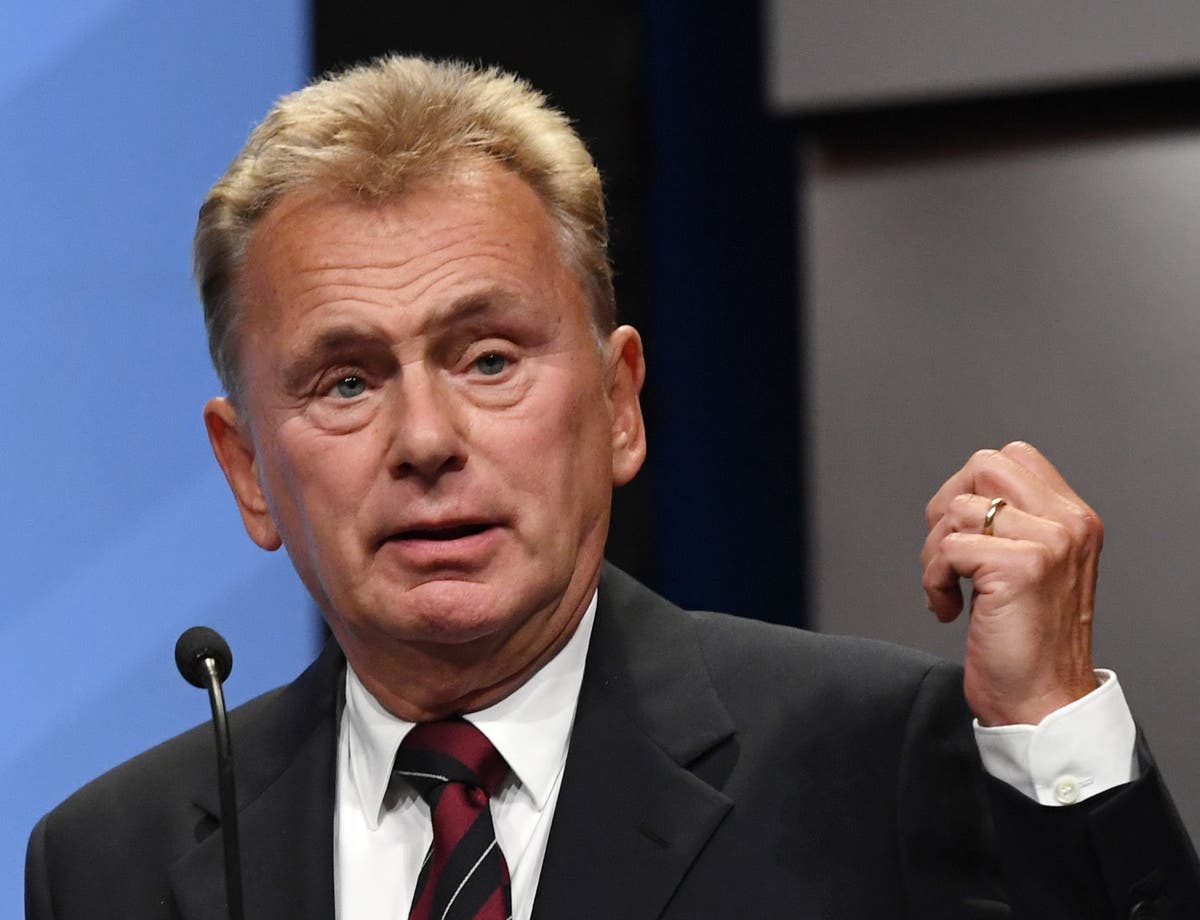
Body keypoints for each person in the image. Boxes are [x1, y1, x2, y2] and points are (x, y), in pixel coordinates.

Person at [25, 55, 1200, 920]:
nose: (425, 437)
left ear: (619, 401)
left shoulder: (867, 762)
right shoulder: (112, 859)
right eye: (345, 380)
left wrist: (1053, 721)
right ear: (249, 470)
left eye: (488, 357)